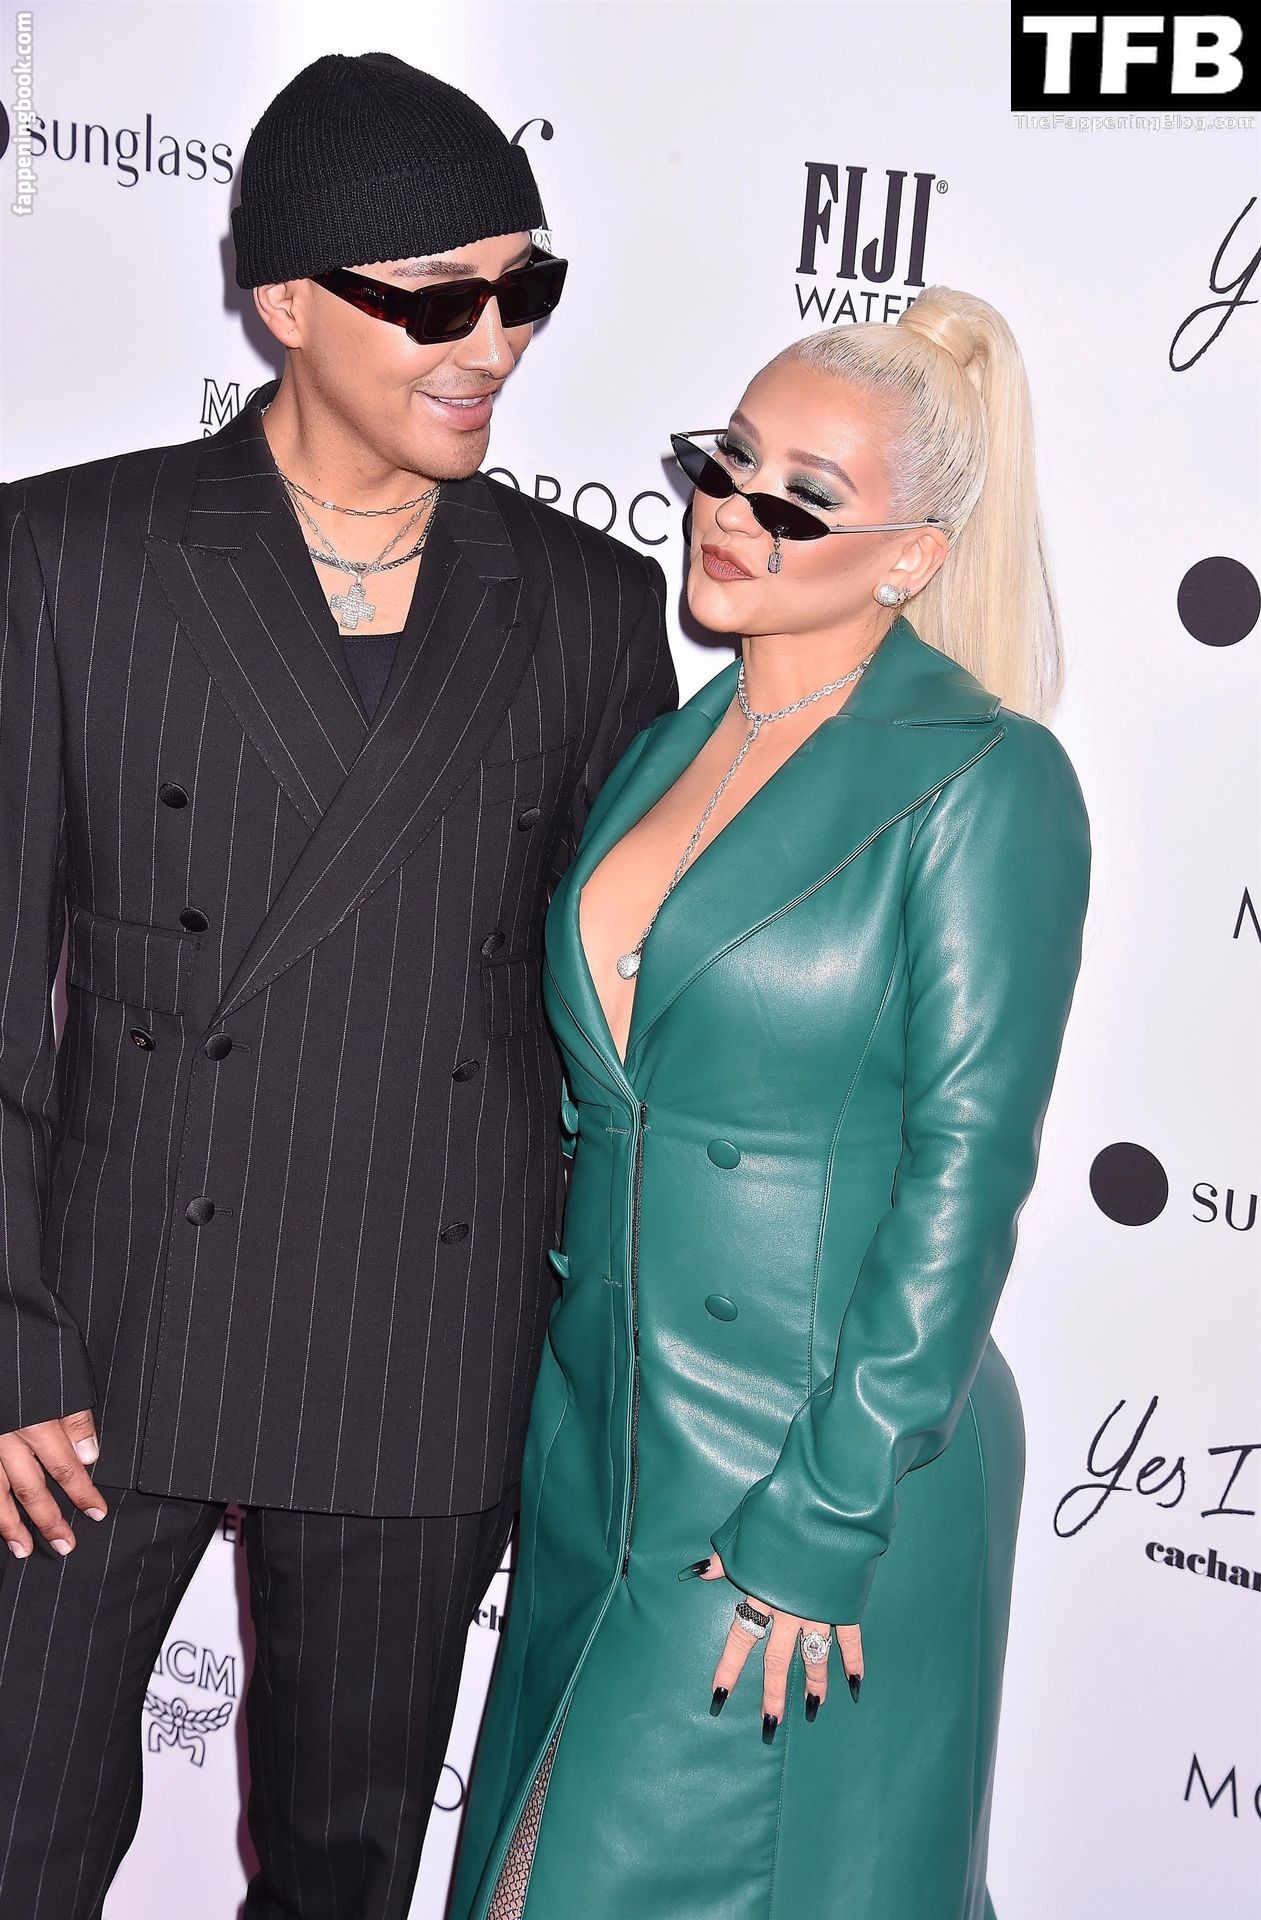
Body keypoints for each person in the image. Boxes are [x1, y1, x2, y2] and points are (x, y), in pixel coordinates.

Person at [0, 50, 676, 1920]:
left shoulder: (589, 604)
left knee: (345, 1874)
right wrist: (8, 1337)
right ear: (286, 303)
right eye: (437, 302)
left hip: (420, 1336)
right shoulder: (67, 559)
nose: (495, 346)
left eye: (526, 291)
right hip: (101, 1329)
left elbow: (616, 1028)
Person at [449, 286, 1092, 1920]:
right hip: (609, 1446)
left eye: (799, 498)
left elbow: (966, 1174)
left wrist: (829, 1506)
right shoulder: (671, 744)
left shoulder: (985, 779)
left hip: (819, 1462)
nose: (731, 513)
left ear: (908, 558)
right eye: (724, 463)